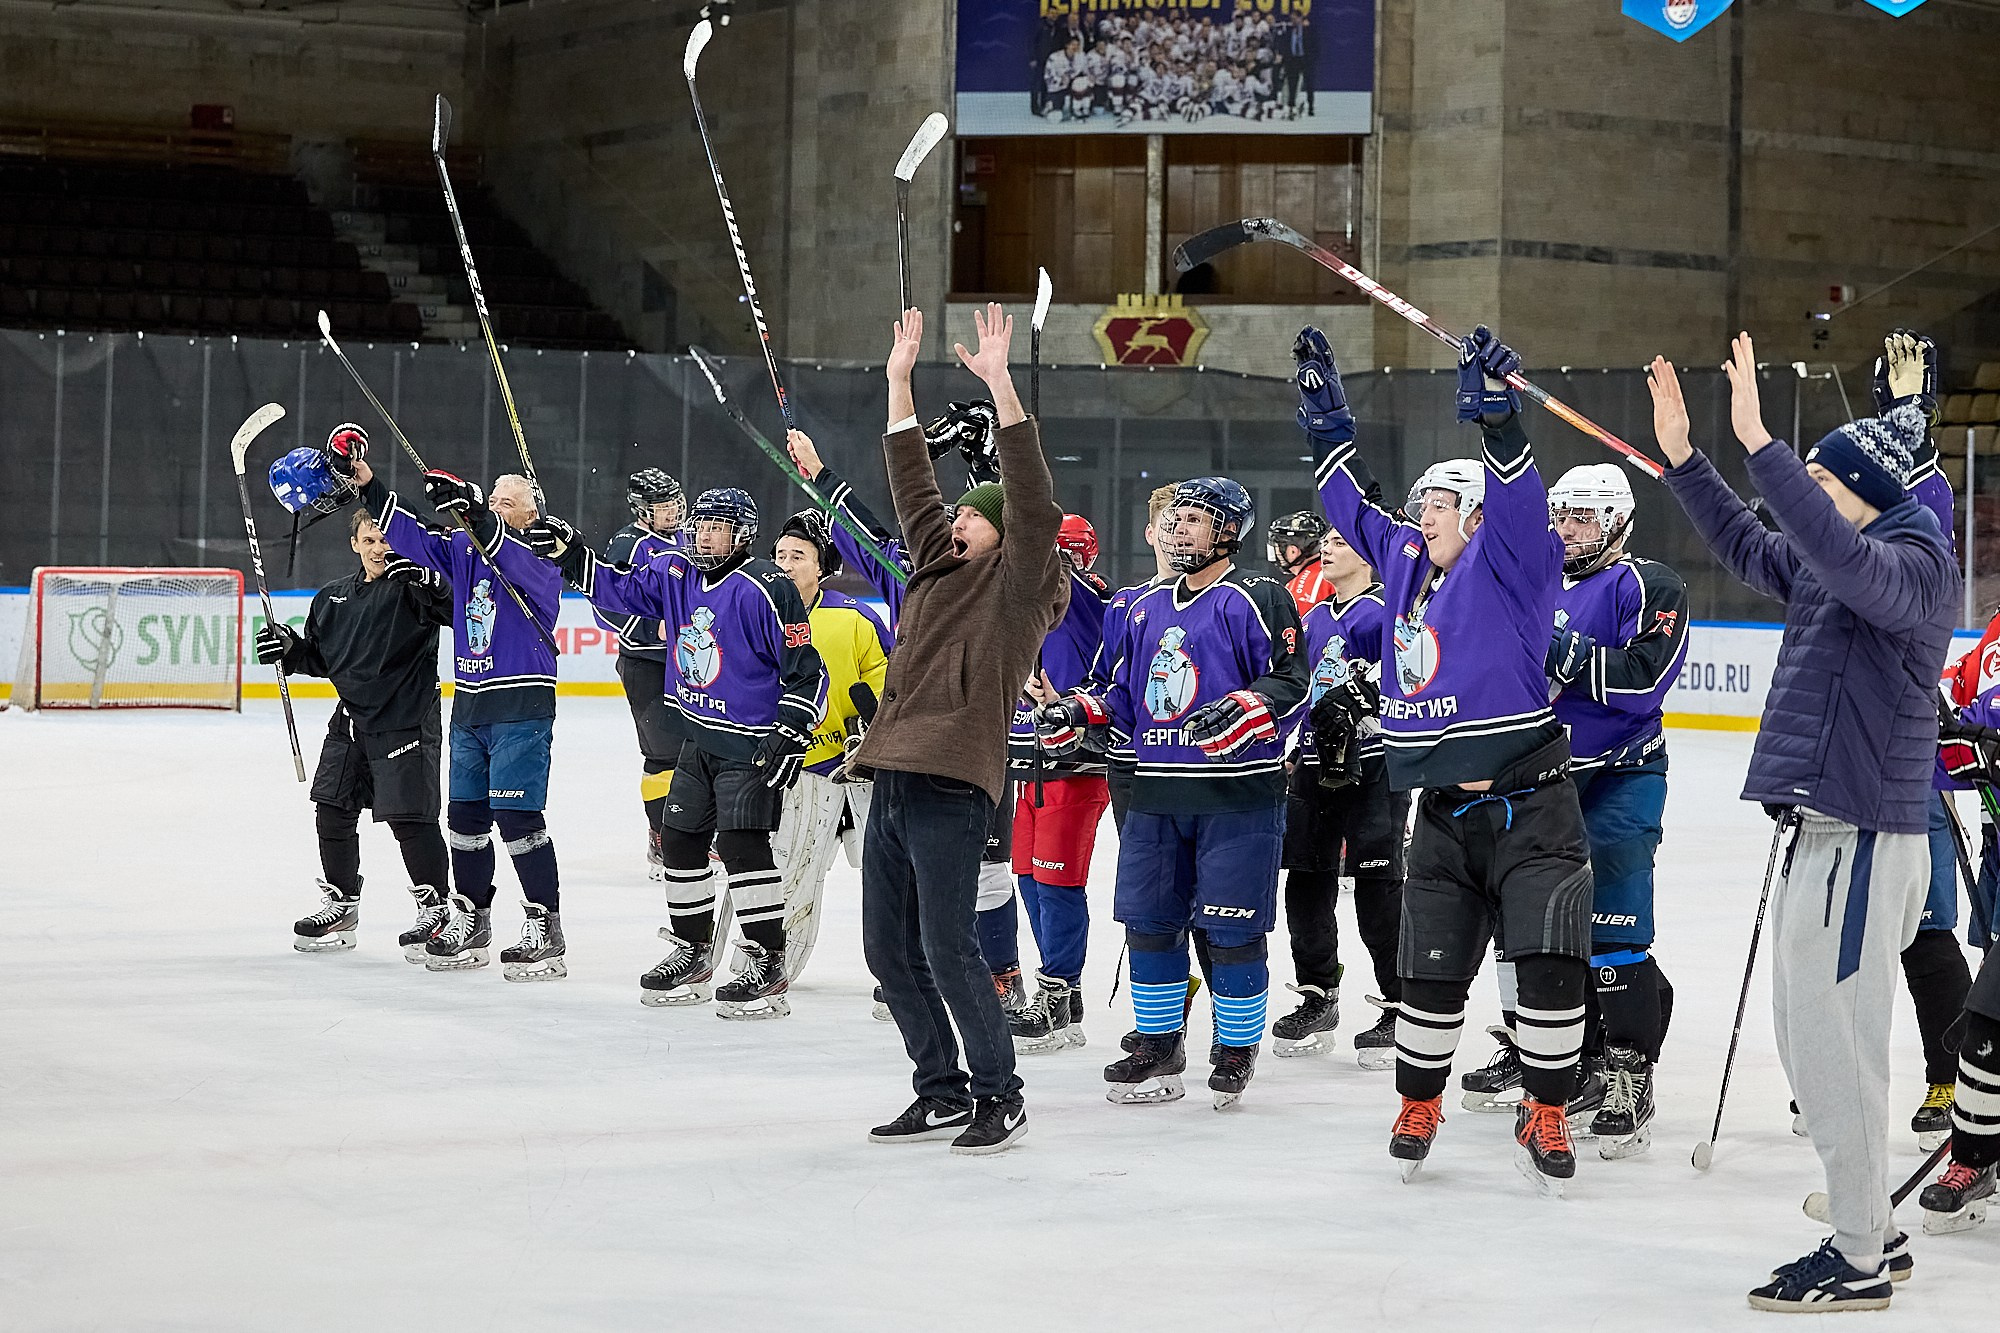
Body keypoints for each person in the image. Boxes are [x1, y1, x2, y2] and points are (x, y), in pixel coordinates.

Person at [1651, 333, 1956, 1310]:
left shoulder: (1911, 565)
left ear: (1865, 490)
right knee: (1805, 1032)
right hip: (1820, 834)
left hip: (1862, 836)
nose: (1806, 499)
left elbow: (1836, 553)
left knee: (1835, 1044)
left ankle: (1858, 1251)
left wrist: (1757, 445)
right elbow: (1752, 545)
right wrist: (1684, 458)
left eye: (1821, 482)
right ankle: (1872, 1218)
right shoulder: (1840, 561)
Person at [1300, 322, 1592, 1196]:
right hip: (1442, 817)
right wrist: (1327, 425)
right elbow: (1350, 505)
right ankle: (1417, 1101)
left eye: (1439, 503)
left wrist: (1498, 425)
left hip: (1532, 808)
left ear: (1477, 517)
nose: (1421, 513)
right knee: (1429, 978)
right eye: (1420, 501)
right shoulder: (1404, 565)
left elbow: (1516, 493)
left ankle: (1547, 1106)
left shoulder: (1516, 565)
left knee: (1546, 971)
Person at [854, 303, 1066, 1157]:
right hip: (894, 776)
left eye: (972, 516)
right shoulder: (934, 572)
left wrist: (1000, 384)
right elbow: (913, 480)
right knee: (887, 951)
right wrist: (900, 381)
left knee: (949, 947)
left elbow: (1033, 499)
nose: (954, 521)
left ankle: (998, 1093)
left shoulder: (1021, 586)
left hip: (952, 782)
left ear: (1004, 532)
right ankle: (938, 1088)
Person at [1042, 476, 1306, 1111]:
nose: (1180, 527)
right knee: (1150, 921)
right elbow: (1118, 694)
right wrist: (1073, 710)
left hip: (1238, 795)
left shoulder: (1256, 595)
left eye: (1196, 518)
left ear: (1228, 532)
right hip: (1156, 790)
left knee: (1233, 926)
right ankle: (1158, 1042)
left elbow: (1294, 679)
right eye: (1176, 517)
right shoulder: (1136, 606)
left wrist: (1248, 704)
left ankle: (1235, 1046)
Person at [531, 489, 826, 1017]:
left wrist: (792, 731)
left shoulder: (769, 587)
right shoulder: (674, 573)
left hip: (750, 744)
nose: (703, 534)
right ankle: (693, 948)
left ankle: (767, 957)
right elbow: (619, 590)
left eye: (717, 526)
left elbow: (808, 669)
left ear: (741, 534)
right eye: (700, 524)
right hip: (697, 739)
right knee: (680, 841)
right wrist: (570, 553)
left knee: (742, 848)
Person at [786, 422, 1027, 1016]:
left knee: (990, 873)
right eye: (950, 519)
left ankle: (1003, 978)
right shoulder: (912, 570)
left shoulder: (1007, 581)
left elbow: (1014, 533)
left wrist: (991, 459)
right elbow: (864, 524)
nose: (953, 526)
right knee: (913, 871)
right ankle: (917, 975)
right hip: (914, 744)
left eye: (965, 518)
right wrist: (818, 475)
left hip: (981, 742)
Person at [350, 454, 568, 982]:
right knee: (465, 820)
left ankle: (545, 923)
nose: (496, 507)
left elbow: (500, 544)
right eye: (492, 499)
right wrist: (369, 484)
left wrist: (472, 508)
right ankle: (473, 917)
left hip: (520, 701)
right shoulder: (467, 547)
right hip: (470, 702)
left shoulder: (539, 553)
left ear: (531, 512)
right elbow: (412, 535)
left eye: (508, 501)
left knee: (517, 819)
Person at [1539, 462, 1687, 1159]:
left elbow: (1643, 679)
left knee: (1615, 923)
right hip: (1542, 780)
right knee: (1544, 927)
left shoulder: (1650, 584)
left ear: (1618, 522)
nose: (1567, 529)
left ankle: (1630, 1066)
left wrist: (1562, 651)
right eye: (1561, 515)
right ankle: (1582, 1053)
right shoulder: (1531, 577)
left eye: (1583, 517)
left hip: (1623, 777)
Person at [260, 496, 454, 960]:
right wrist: (287, 647)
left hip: (405, 720)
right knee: (331, 811)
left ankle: (437, 909)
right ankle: (342, 904)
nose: (378, 547)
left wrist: (432, 580)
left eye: (386, 538)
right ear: (354, 544)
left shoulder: (413, 588)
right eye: (369, 539)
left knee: (411, 820)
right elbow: (322, 659)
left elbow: (451, 607)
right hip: (350, 721)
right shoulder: (331, 597)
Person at [1277, 522, 1406, 1069]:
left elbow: (1406, 678)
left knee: (1378, 887)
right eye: (1324, 543)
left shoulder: (1384, 614)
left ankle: (1400, 1004)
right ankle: (1317, 992)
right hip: (1310, 764)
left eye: (1339, 543)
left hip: (1373, 766)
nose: (1326, 550)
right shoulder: (1313, 618)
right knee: (1306, 880)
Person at [766, 506, 891, 978]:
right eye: (779, 553)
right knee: (789, 873)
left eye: (798, 555)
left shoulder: (854, 618)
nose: (785, 563)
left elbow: (885, 679)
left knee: (886, 876)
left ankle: (900, 977)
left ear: (822, 566)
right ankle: (773, 965)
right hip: (797, 769)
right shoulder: (757, 609)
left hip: (859, 766)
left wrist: (873, 732)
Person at [1007, 513, 1113, 1053]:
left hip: (1075, 767)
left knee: (1058, 884)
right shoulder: (1032, 608)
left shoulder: (1091, 600)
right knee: (1027, 879)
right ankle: (1060, 992)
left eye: (1063, 555)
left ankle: (1058, 988)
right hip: (1029, 764)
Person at [598, 468, 688, 882]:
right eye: (663, 508)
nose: (672, 513)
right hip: (646, 665)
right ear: (641, 510)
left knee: (694, 751)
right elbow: (605, 605)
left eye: (674, 504)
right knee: (662, 754)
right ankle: (662, 836)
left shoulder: (685, 541)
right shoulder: (628, 544)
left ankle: (692, 832)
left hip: (685, 663)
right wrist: (654, 629)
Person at [1267, 509, 1336, 616]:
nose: (1277, 552)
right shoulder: (1333, 570)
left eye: (1279, 546)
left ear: (1293, 551)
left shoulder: (1301, 587)